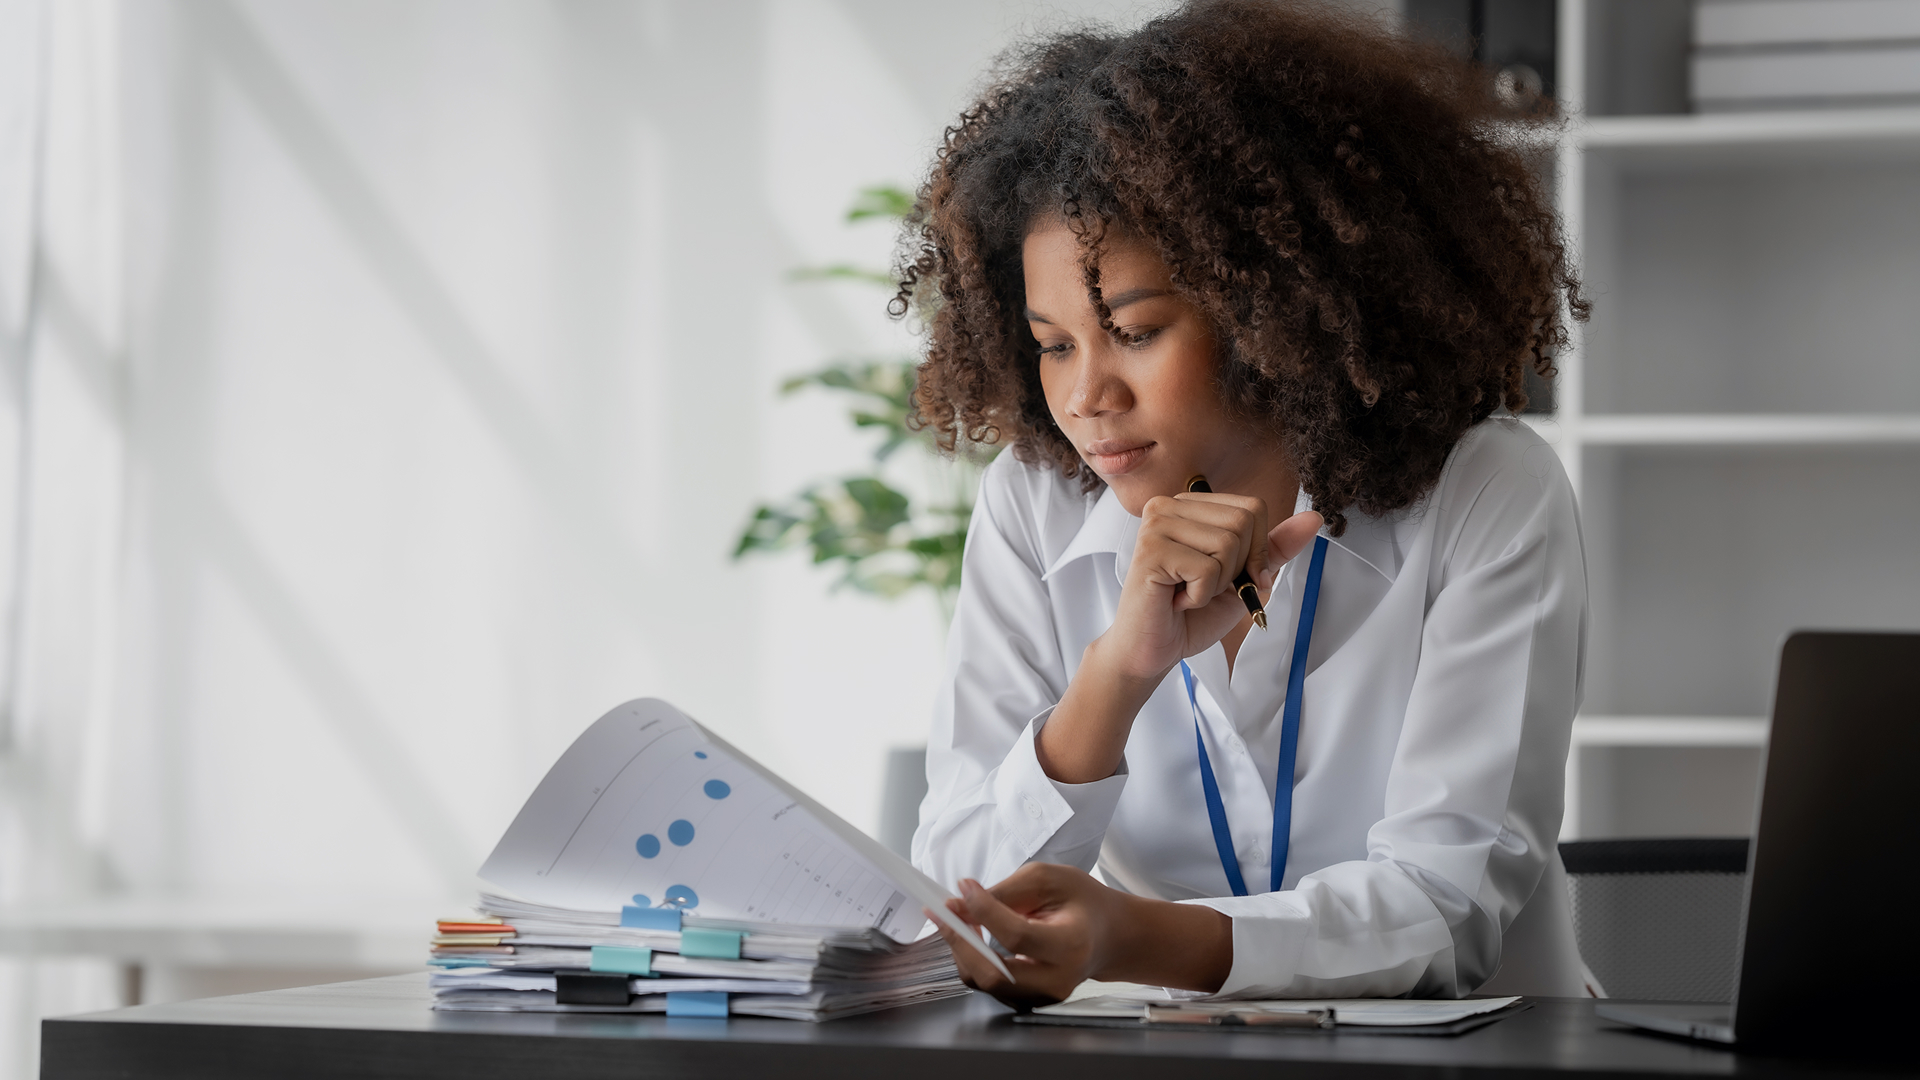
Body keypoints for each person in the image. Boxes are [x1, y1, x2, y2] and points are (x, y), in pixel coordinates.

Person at [899, 0, 1592, 1007]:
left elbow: (1447, 906)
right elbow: (964, 894)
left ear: (1271, 303)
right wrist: (1119, 675)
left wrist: (1132, 935)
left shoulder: (1486, 493)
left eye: (1134, 331)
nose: (1087, 396)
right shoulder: (1034, 506)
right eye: (1054, 345)